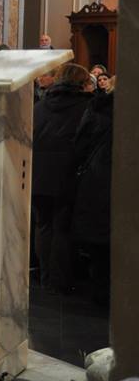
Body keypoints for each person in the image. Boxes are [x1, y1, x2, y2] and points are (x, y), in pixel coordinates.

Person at [31, 63, 92, 293]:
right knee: (62, 227)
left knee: (43, 225)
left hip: (38, 175)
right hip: (67, 174)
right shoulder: (85, 107)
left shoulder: (40, 106)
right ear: (81, 83)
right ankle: (59, 282)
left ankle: (46, 276)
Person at [72, 77, 114, 305]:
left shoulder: (96, 109)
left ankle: (100, 290)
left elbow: (80, 144)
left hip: (96, 177)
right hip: (110, 176)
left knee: (100, 240)